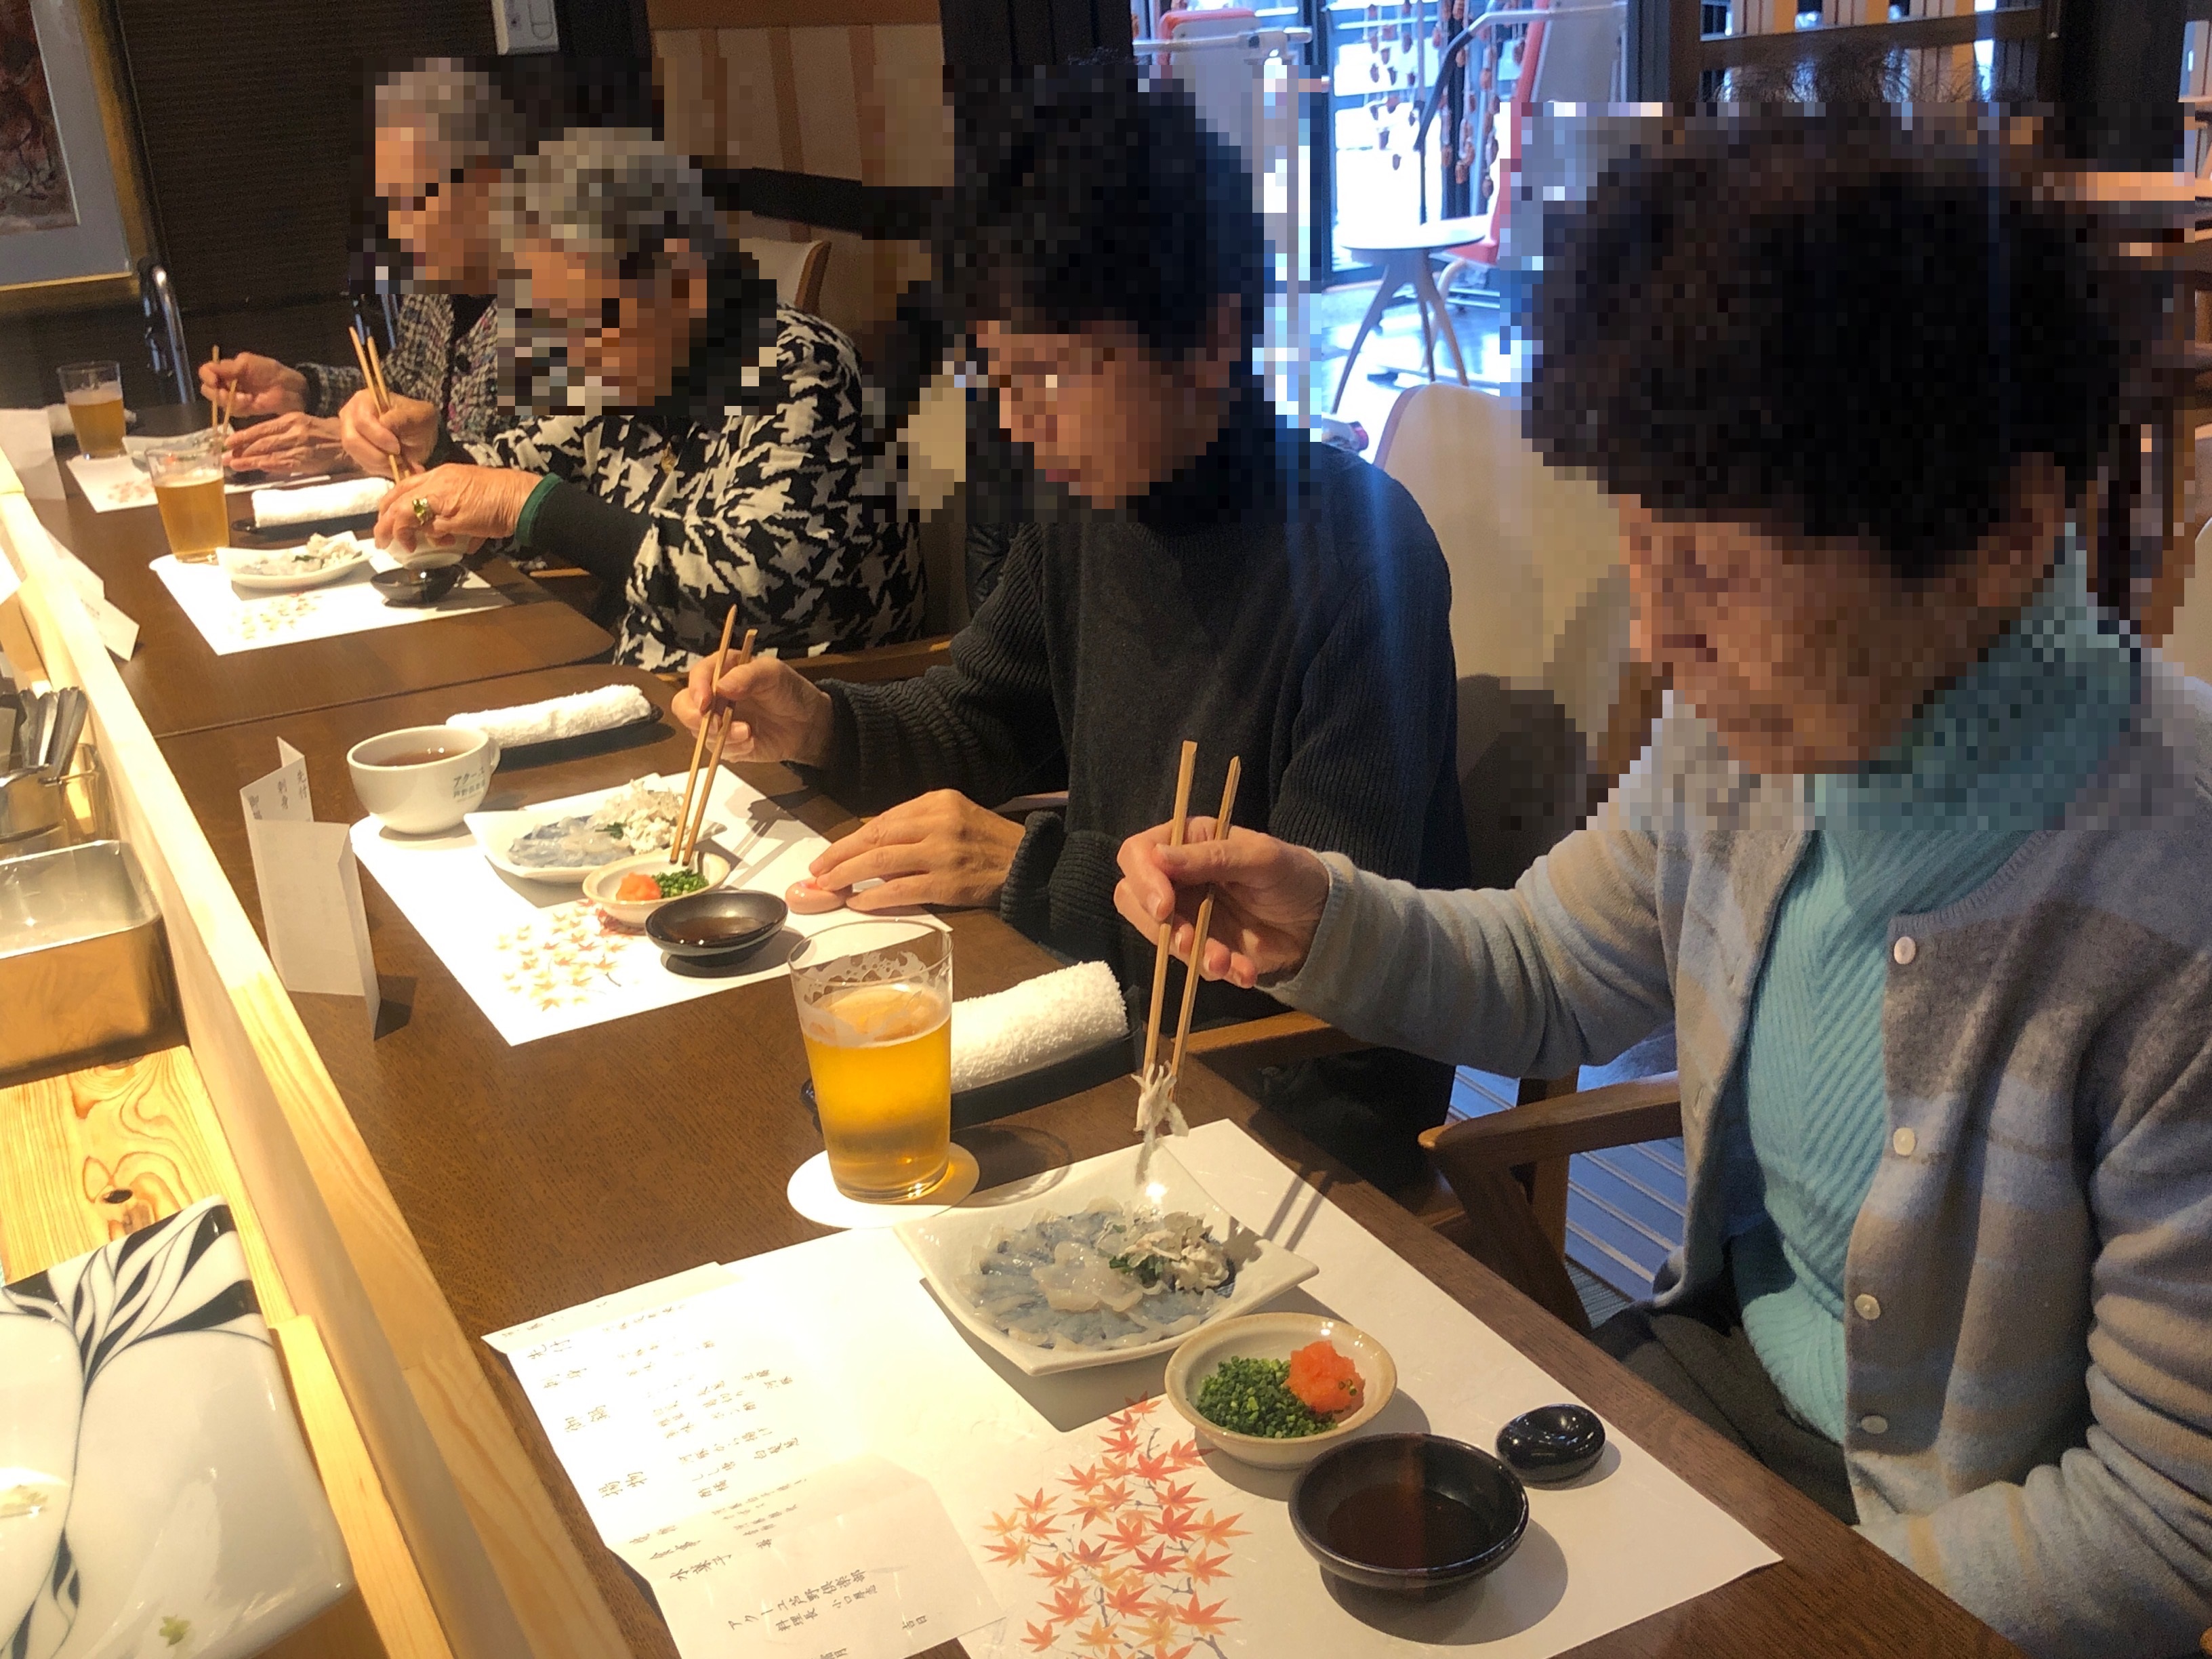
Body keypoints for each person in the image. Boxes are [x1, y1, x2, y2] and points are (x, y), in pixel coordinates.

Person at [1113, 123, 2212, 1659]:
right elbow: (1559, 964)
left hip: (1951, 1569)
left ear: (2002, 535)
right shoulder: (1757, 732)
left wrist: (1763, 1612)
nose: (1652, 634)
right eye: (1636, 547)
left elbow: (2165, 1532)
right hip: (1703, 1400)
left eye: (1714, 563)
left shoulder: (2173, 913)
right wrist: (1333, 916)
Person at [674, 56, 1469, 1187]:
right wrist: (819, 721)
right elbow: (980, 711)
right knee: (768, 1126)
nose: (1014, 423)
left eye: (1046, 374)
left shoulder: (1361, 557)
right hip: (1122, 1022)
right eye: (996, 376)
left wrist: (1033, 867)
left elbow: (1317, 950)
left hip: (1286, 1101)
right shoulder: (1091, 510)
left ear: (1208, 340)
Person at [339, 129, 924, 665]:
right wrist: (432, 451)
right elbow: (514, 468)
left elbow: (753, 591)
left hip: (768, 722)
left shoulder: (800, 368)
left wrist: (526, 504)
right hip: (646, 685)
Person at [201, 63, 524, 478]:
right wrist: (302, 388)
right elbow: (397, 390)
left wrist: (348, 446)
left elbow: (545, 470)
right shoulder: (437, 288)